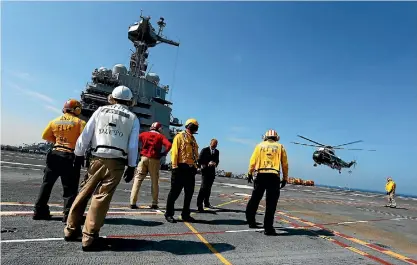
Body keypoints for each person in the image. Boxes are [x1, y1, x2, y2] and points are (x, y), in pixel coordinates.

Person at [63, 85, 140, 251]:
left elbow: (86, 134)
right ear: (129, 101)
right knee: (101, 197)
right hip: (117, 162)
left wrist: (79, 154)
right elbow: (133, 145)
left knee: (84, 192)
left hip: (97, 158)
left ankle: (70, 230)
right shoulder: (133, 118)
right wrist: (132, 166)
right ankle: (89, 238)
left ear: (112, 97)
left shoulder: (100, 111)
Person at [33, 99, 86, 222]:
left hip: (54, 154)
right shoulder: (80, 122)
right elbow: (84, 141)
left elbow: (45, 135)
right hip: (69, 156)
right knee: (70, 188)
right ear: (77, 110)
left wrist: (58, 141)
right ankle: (68, 215)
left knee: (46, 184)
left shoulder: (54, 121)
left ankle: (39, 211)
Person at [246, 129, 289, 236]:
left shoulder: (259, 145)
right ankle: (268, 228)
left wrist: (250, 173)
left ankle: (251, 221)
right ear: (276, 138)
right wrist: (285, 178)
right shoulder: (280, 147)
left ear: (265, 137)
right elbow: (285, 164)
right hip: (274, 177)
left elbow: (253, 160)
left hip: (260, 175)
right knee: (271, 204)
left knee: (255, 199)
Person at [130, 121, 172, 209]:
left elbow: (134, 140)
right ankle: (154, 203)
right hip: (154, 160)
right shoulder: (160, 136)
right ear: (159, 128)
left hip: (143, 158)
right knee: (154, 182)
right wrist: (163, 153)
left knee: (137, 179)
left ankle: (132, 202)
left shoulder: (144, 134)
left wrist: (138, 150)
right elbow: (169, 145)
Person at [164, 118, 199, 223]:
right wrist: (174, 166)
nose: (195, 128)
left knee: (189, 193)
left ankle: (185, 214)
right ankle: (169, 214)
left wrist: (195, 167)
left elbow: (195, 155)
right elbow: (174, 152)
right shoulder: (179, 136)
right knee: (174, 192)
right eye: (193, 125)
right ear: (188, 126)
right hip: (180, 168)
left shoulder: (193, 139)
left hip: (190, 169)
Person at [196, 139, 219, 212]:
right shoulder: (204, 150)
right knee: (203, 188)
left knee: (208, 189)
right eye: (213, 143)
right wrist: (207, 163)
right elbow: (199, 160)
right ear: (210, 143)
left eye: (216, 144)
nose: (214, 145)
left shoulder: (217, 151)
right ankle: (199, 205)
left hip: (212, 172)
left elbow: (217, 160)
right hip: (205, 171)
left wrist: (215, 163)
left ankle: (206, 203)